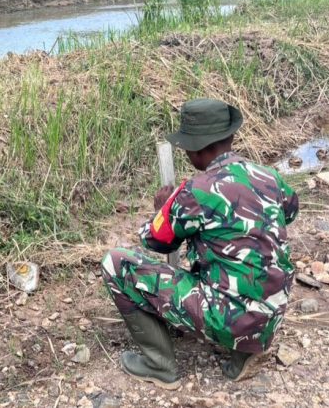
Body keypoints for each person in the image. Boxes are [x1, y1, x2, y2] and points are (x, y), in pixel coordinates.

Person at [100, 99, 298, 387]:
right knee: (227, 265)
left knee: (116, 263)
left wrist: (162, 209)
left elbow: (156, 242)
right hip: (271, 315)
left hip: (230, 318)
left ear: (195, 150)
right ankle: (245, 350)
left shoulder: (195, 192)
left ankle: (159, 365)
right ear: (230, 136)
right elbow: (290, 211)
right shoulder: (270, 177)